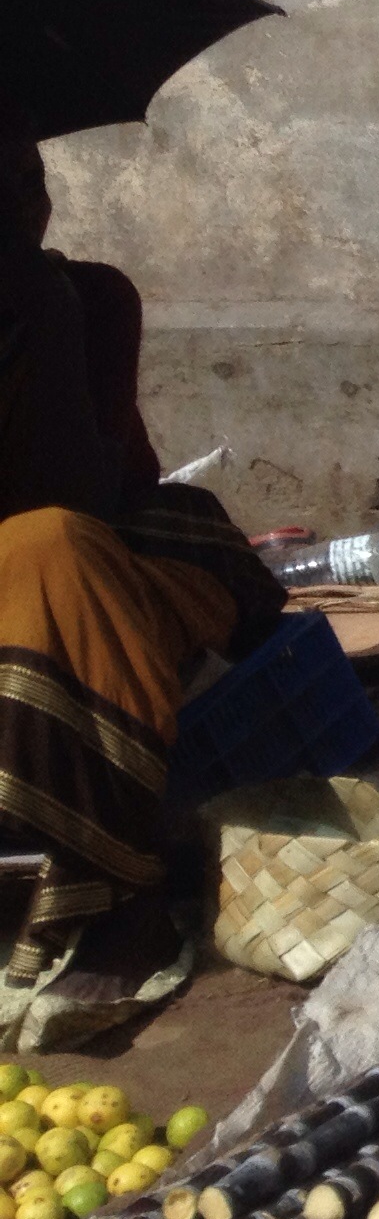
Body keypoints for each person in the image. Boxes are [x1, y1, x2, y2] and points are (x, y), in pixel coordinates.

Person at [0, 100, 284, 991]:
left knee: (49, 553)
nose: (25, 207)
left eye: (28, 184)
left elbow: (77, 492)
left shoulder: (80, 300)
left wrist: (26, 317)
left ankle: (114, 892)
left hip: (74, 568)